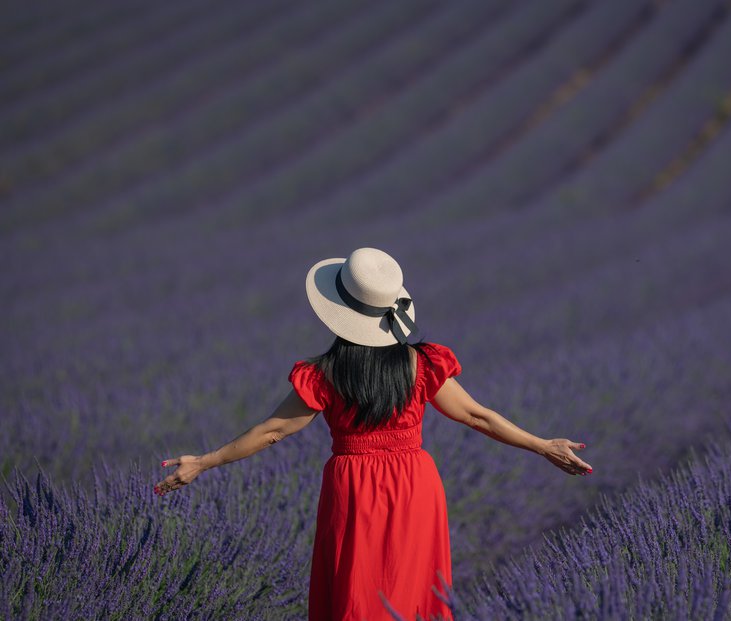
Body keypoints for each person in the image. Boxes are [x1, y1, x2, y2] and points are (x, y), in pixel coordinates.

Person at [154, 247, 593, 620]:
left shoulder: (325, 373)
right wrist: (542, 444)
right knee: (412, 593)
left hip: (354, 487)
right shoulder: (421, 364)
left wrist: (204, 461)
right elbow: (479, 417)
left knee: (356, 595)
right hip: (415, 485)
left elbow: (271, 432)